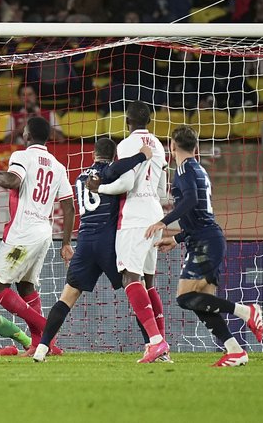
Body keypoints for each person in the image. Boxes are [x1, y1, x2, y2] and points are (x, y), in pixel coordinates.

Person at [146, 125, 263, 367]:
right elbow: (198, 212)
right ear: (196, 147)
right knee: (202, 303)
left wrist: (162, 222)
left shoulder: (182, 169)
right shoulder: (198, 169)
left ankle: (246, 311)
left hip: (204, 243)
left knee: (185, 297)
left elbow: (191, 200)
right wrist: (177, 238)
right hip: (205, 238)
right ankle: (235, 350)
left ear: (172, 146)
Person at [33, 138, 152, 362]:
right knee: (136, 288)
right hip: (108, 244)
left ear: (93, 154)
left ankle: (42, 347)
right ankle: (152, 344)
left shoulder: (79, 177)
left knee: (67, 296)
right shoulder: (111, 172)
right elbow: (117, 169)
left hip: (85, 242)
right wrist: (141, 156)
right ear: (113, 155)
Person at [0, 116, 75, 356]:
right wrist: (65, 243)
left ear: (27, 136)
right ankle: (39, 344)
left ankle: (46, 329)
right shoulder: (58, 166)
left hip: (23, 232)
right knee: (26, 286)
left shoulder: (21, 156)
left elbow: (13, 181)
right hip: (44, 231)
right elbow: (69, 207)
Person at [86, 100, 169, 363]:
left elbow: (127, 182)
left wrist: (99, 188)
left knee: (130, 277)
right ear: (150, 121)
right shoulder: (158, 145)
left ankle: (155, 341)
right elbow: (163, 188)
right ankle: (161, 348)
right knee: (149, 280)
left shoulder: (125, 145)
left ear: (127, 121)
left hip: (134, 216)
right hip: (156, 213)